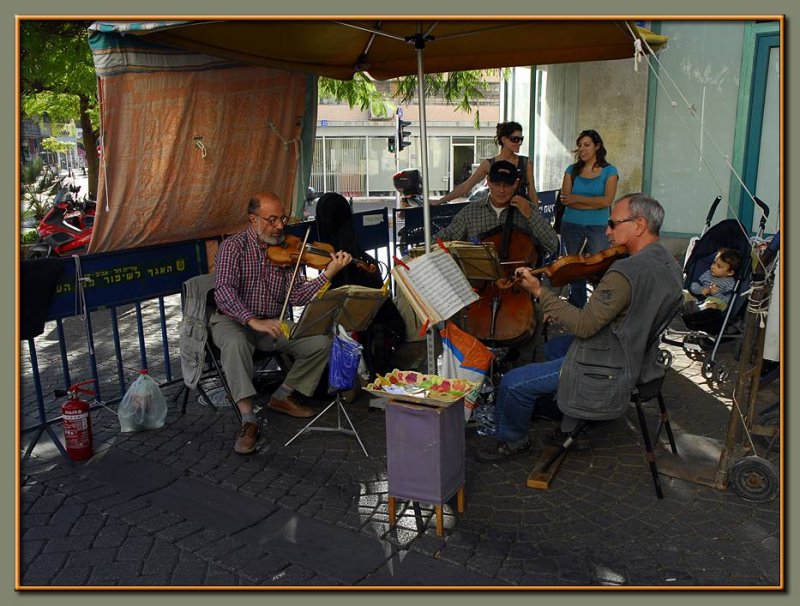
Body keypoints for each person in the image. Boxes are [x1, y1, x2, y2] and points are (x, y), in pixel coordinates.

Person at [476, 193, 683, 462]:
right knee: (554, 346)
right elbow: (623, 307)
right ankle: (570, 422)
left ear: (639, 225)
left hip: (607, 361)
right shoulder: (669, 263)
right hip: (638, 348)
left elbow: (585, 325)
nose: (607, 230)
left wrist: (540, 292)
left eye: (613, 223)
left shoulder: (624, 273)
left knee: (514, 384)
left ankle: (513, 440)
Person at [212, 191, 353, 455]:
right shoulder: (233, 247)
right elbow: (224, 292)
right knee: (235, 342)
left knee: (321, 343)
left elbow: (298, 295)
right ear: (253, 219)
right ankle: (248, 418)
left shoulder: (288, 250)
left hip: (271, 323)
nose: (279, 226)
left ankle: (283, 396)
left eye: (282, 218)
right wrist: (252, 321)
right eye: (272, 219)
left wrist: (328, 274)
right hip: (232, 321)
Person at [435, 160, 558, 257]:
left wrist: (531, 216)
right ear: (488, 182)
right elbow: (444, 239)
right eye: (497, 184)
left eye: (507, 185)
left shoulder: (527, 208)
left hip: (520, 283)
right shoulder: (470, 212)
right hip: (482, 284)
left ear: (515, 183)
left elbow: (552, 245)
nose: (501, 190)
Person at [559, 129, 619, 308]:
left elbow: (607, 201)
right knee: (575, 266)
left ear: (597, 146)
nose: (582, 149)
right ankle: (577, 304)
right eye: (579, 146)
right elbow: (565, 200)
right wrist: (594, 202)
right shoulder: (571, 170)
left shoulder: (610, 171)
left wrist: (576, 198)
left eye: (587, 145)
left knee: (599, 266)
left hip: (598, 226)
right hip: (571, 224)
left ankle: (602, 305)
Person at [434, 121, 539, 206]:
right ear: (504, 140)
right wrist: (440, 200)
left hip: (520, 212)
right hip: (496, 213)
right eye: (515, 139)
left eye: (521, 139)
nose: (519, 143)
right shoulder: (488, 164)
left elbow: (532, 191)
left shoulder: (526, 163)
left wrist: (535, 217)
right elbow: (466, 186)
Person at [683, 247, 741, 313]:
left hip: (713, 303)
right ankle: (695, 308)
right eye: (714, 263)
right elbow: (693, 285)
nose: (713, 267)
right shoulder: (707, 273)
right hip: (696, 300)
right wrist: (701, 290)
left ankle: (701, 308)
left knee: (719, 304)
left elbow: (728, 300)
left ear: (729, 272)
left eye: (719, 266)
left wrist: (717, 294)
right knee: (684, 293)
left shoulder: (730, 282)